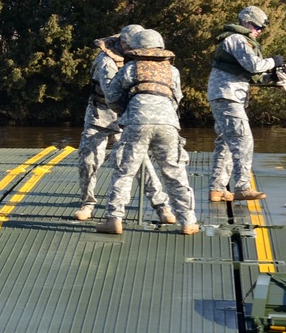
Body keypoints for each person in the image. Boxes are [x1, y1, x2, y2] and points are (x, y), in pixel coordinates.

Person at [96, 29, 198, 236]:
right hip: (168, 124)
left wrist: (127, 110)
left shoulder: (130, 68)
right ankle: (187, 221)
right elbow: (177, 98)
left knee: (124, 172)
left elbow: (112, 96)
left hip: (136, 123)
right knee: (175, 173)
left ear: (137, 48)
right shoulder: (173, 71)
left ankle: (114, 219)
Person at [74, 24, 175, 224]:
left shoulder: (143, 60)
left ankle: (161, 206)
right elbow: (111, 95)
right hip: (100, 116)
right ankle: (87, 203)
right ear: (122, 43)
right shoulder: (106, 61)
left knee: (141, 162)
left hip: (128, 118)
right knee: (88, 160)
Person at [206, 6, 283, 202]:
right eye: (257, 27)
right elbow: (254, 65)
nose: (259, 31)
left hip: (226, 95)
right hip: (228, 95)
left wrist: (271, 78)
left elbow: (252, 75)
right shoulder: (237, 39)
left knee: (226, 141)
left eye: (261, 28)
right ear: (246, 23)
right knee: (243, 140)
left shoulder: (239, 41)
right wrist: (273, 61)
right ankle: (242, 187)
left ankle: (217, 188)